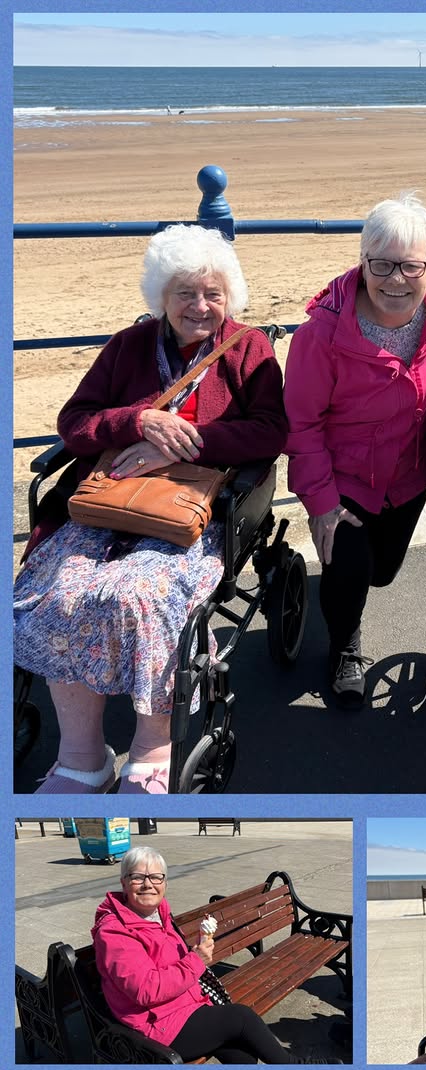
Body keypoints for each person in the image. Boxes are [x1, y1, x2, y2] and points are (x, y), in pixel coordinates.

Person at [14, 224, 287, 794]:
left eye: (212, 293)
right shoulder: (128, 347)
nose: (199, 305)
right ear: (161, 295)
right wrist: (137, 421)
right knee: (60, 588)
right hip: (107, 504)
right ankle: (82, 757)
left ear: (229, 297)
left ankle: (150, 745)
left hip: (191, 512)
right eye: (185, 292)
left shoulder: (248, 348)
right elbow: (75, 422)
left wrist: (187, 437)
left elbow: (270, 431)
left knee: (139, 593)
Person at [284, 192, 426, 709]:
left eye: (410, 265)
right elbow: (302, 423)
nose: (395, 279)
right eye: (381, 264)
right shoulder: (322, 334)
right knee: (351, 570)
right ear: (363, 261)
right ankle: (344, 645)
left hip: (409, 471)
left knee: (383, 572)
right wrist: (320, 504)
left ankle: (351, 600)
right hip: (344, 480)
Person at [92, 847, 340, 1064]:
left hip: (183, 1007)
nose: (148, 884)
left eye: (156, 877)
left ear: (165, 883)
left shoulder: (159, 915)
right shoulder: (114, 931)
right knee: (240, 1017)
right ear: (124, 882)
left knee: (241, 1055)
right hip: (153, 1026)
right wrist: (196, 960)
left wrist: (196, 951)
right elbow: (146, 990)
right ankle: (293, 1066)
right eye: (138, 877)